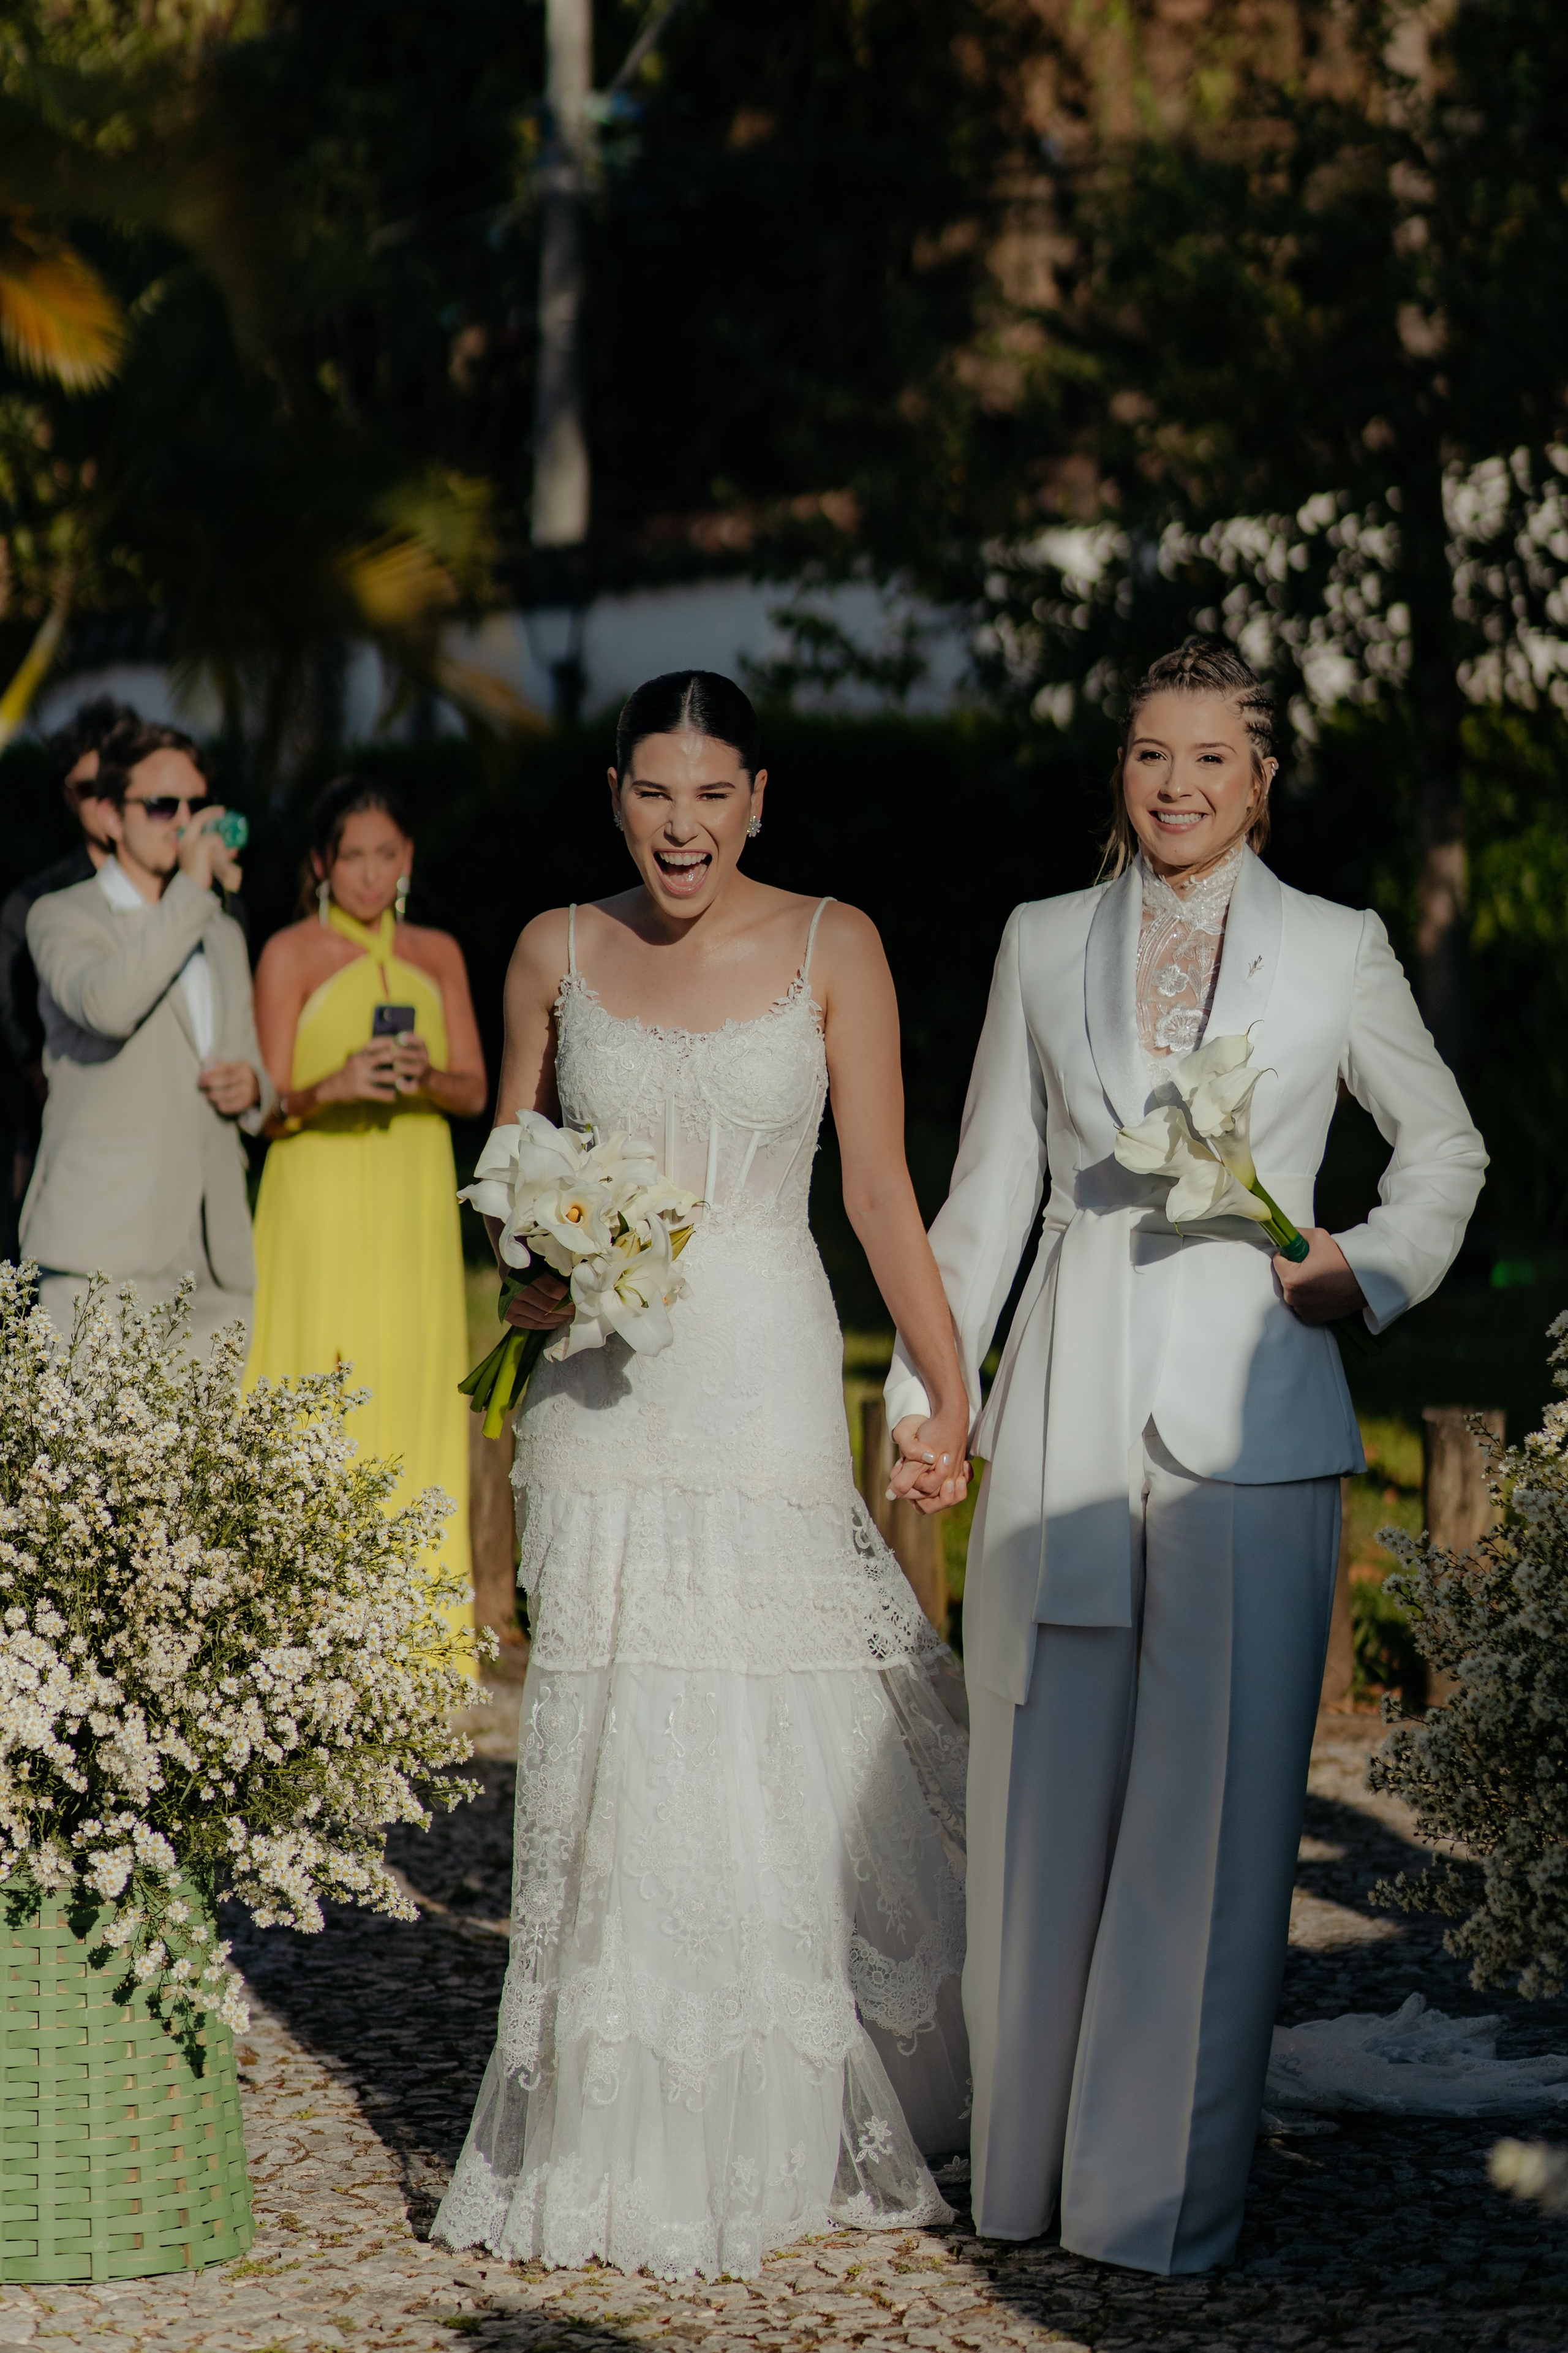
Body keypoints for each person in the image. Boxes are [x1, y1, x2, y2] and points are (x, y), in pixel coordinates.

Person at [883, 637, 1488, 2273]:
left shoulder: (1339, 947)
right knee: (1041, 1807)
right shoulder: (1039, 940)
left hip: (1259, 1428)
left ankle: (1156, 2208)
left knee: (1210, 1837)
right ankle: (1023, 2180)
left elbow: (1446, 1148)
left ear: (1264, 774)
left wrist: (1359, 1265)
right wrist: (934, 1403)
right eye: (1153, 754)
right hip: (1066, 1412)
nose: (1179, 786)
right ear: (1122, 766)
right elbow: (988, 1193)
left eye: (1211, 757)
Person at [433, 671, 972, 2280]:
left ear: (758, 799)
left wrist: (950, 1385)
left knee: (761, 1714)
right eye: (653, 793)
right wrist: (535, 1261)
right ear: (616, 793)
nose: (682, 826)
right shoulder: (552, 947)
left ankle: (787, 2104)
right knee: (619, 1721)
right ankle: (614, 2123)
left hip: (759, 1362)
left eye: (711, 795)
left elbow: (879, 1191)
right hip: (600, 1390)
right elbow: (506, 1178)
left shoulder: (836, 944)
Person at [247, 777, 486, 1642]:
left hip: (411, 1197)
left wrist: (419, 1074)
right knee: (315, 1387)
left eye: (388, 854)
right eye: (353, 856)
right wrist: (333, 1083)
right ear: (321, 863)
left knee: (412, 1384)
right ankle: (298, 1633)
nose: (371, 874)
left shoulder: (439, 953)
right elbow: (265, 1106)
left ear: (409, 859)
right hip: (317, 1194)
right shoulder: (288, 955)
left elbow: (475, 1089)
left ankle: (414, 1638)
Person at [23, 718, 270, 1354]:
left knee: (210, 1457)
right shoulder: (61, 915)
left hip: (214, 1260)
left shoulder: (221, 930)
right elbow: (108, 1004)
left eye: (196, 804)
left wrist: (254, 1088)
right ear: (109, 816)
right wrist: (191, 885)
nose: (184, 822)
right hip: (102, 1252)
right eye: (163, 806)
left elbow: (253, 1072)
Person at [0, 696, 136, 1233]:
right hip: (63, 1139)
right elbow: (27, 1049)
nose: (106, 801)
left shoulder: (195, 899)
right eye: (87, 788)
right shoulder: (34, 906)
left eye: (117, 782)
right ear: (67, 797)